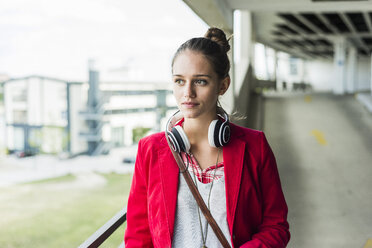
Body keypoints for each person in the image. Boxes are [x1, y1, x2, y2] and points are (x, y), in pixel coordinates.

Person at [124, 27, 290, 248]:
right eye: (179, 81)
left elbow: (276, 226)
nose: (188, 93)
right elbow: (138, 236)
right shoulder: (151, 149)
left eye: (200, 81)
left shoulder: (255, 146)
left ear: (223, 85)